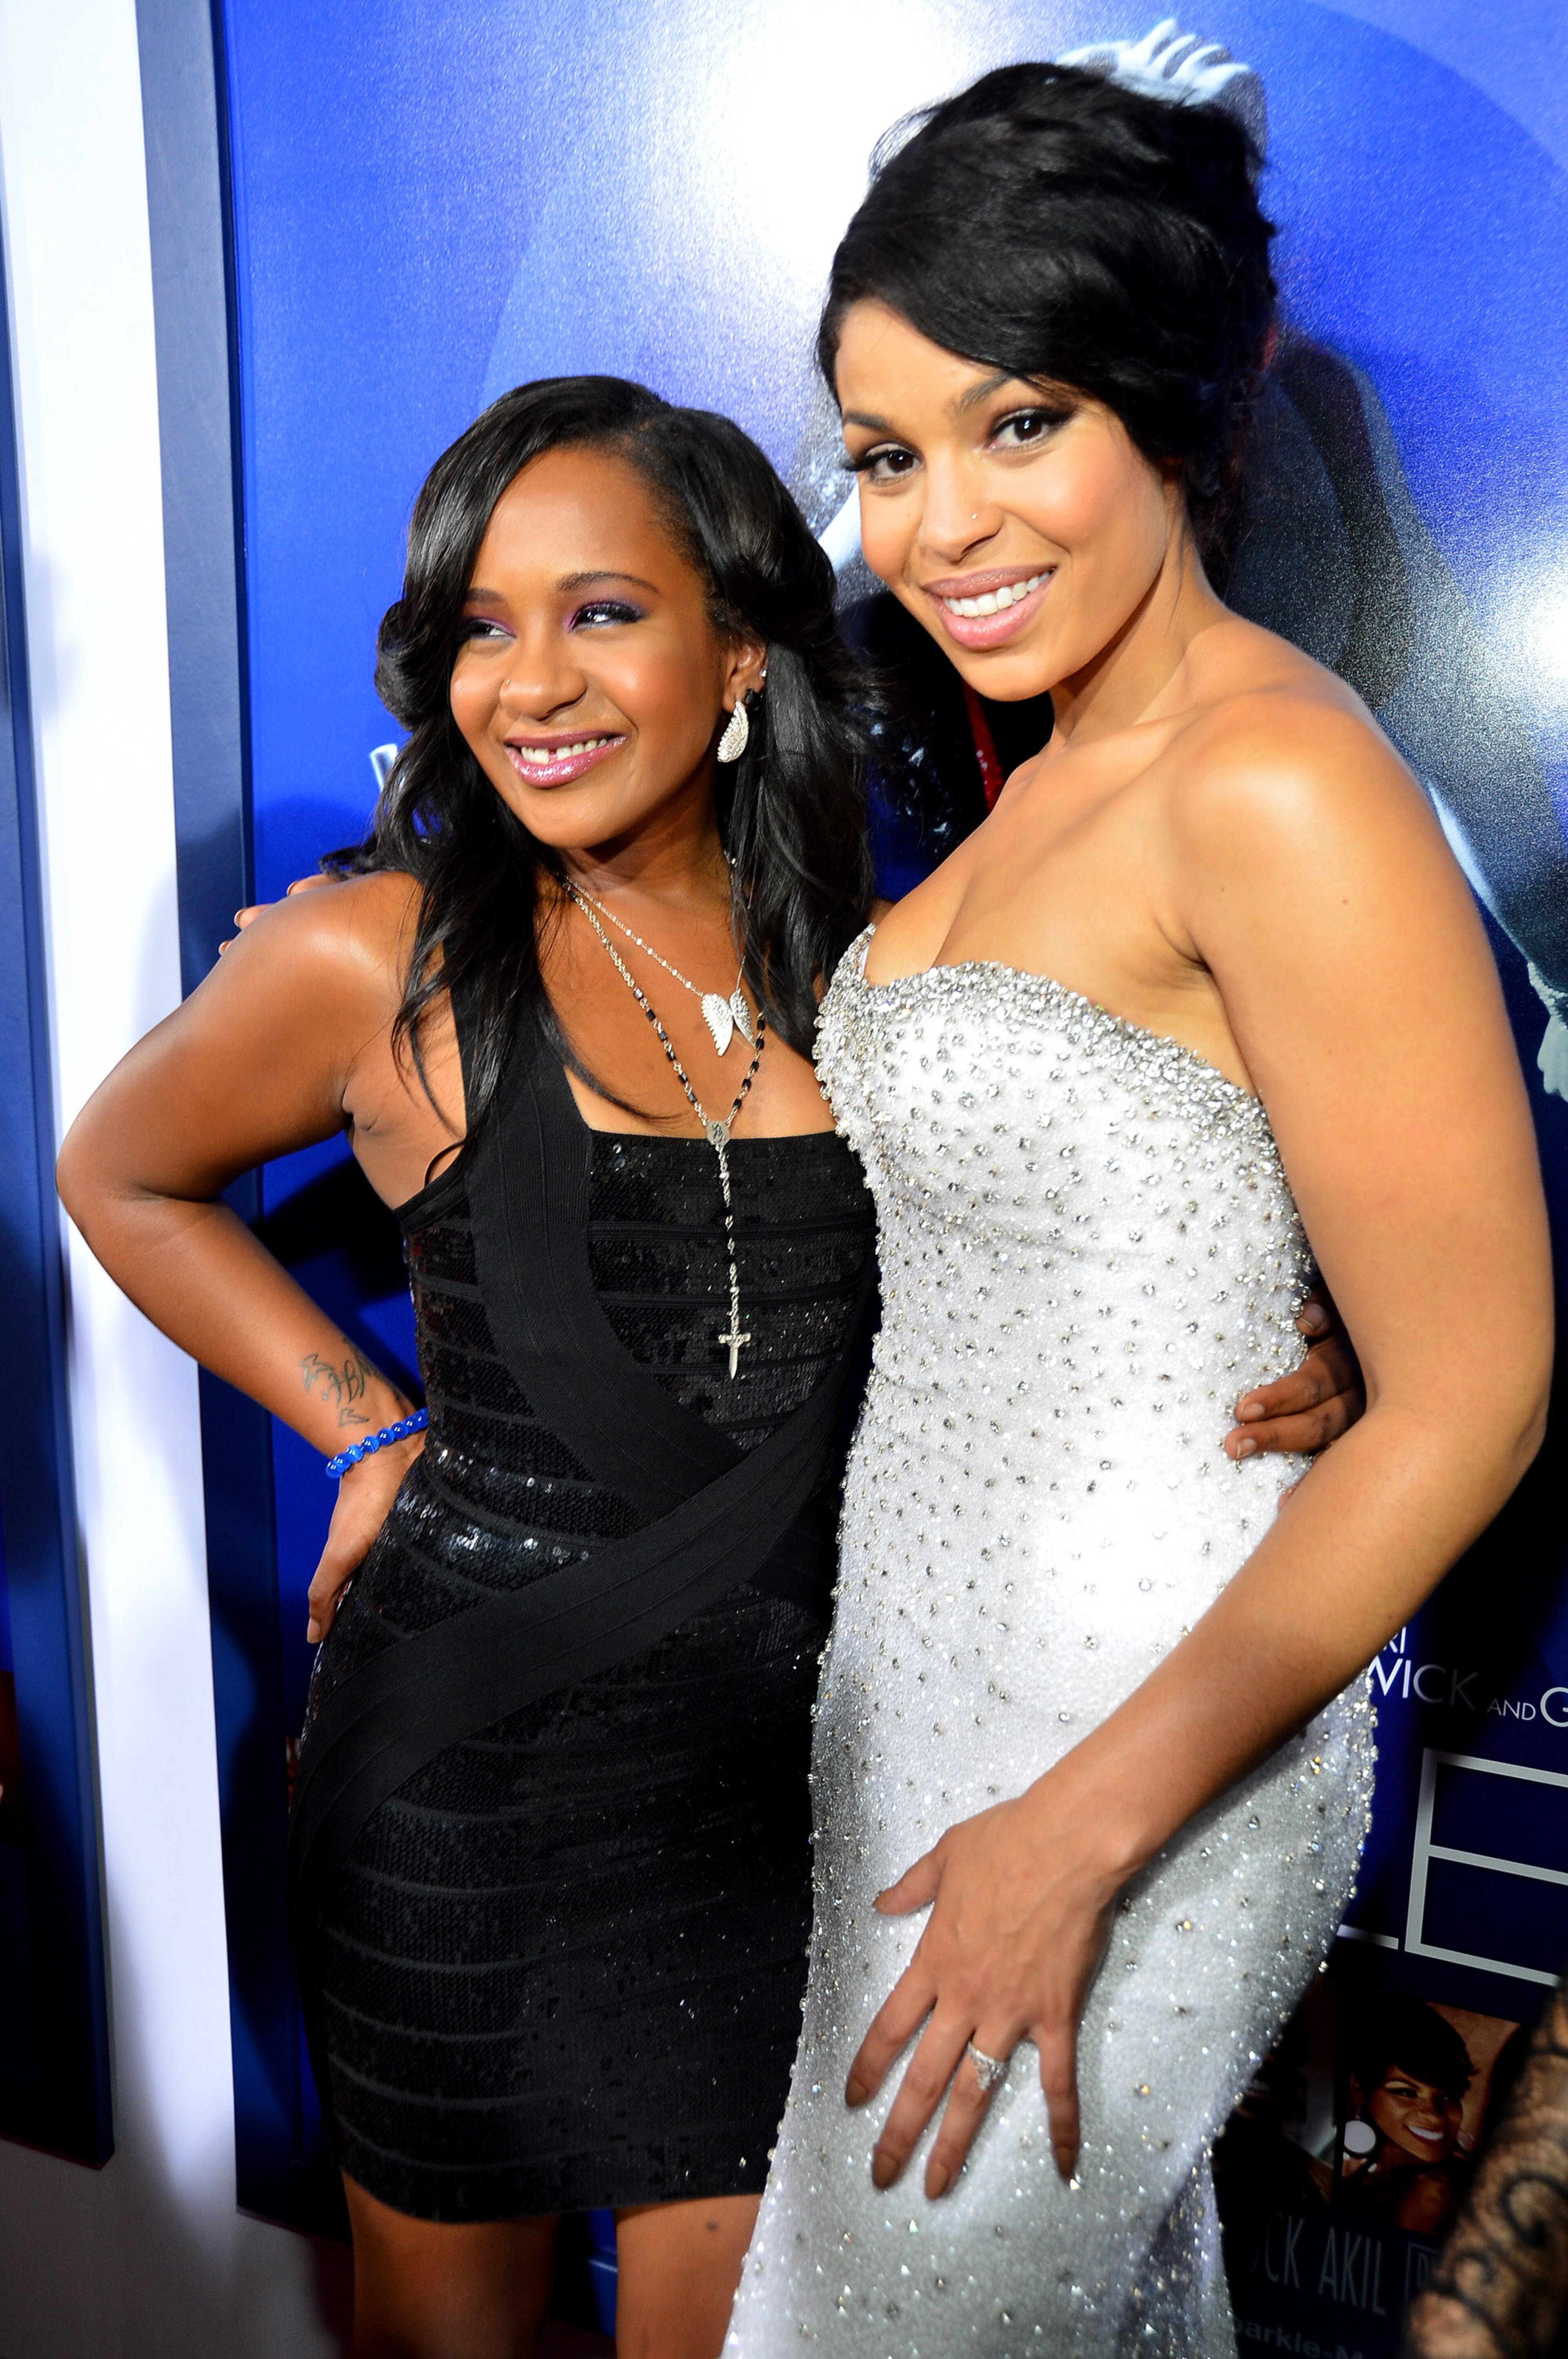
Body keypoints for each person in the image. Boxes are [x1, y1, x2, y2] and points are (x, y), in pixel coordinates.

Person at [59, 372, 1358, 2357]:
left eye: (601, 611)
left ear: (740, 645)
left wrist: (1301, 1336)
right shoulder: (372, 956)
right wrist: (369, 1424)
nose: (530, 681)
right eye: (481, 628)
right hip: (456, 1791)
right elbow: (120, 1168)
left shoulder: (900, 975)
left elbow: (1097, 1224)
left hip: (771, 1818)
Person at [722, 61, 1552, 2358]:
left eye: (1022, 424)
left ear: (1179, 408)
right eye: (888, 454)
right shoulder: (1047, 775)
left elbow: (1475, 1390)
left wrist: (1082, 1834)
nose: (941, 520)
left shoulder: (1274, 774)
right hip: (922, 1715)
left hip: (1131, 1750)